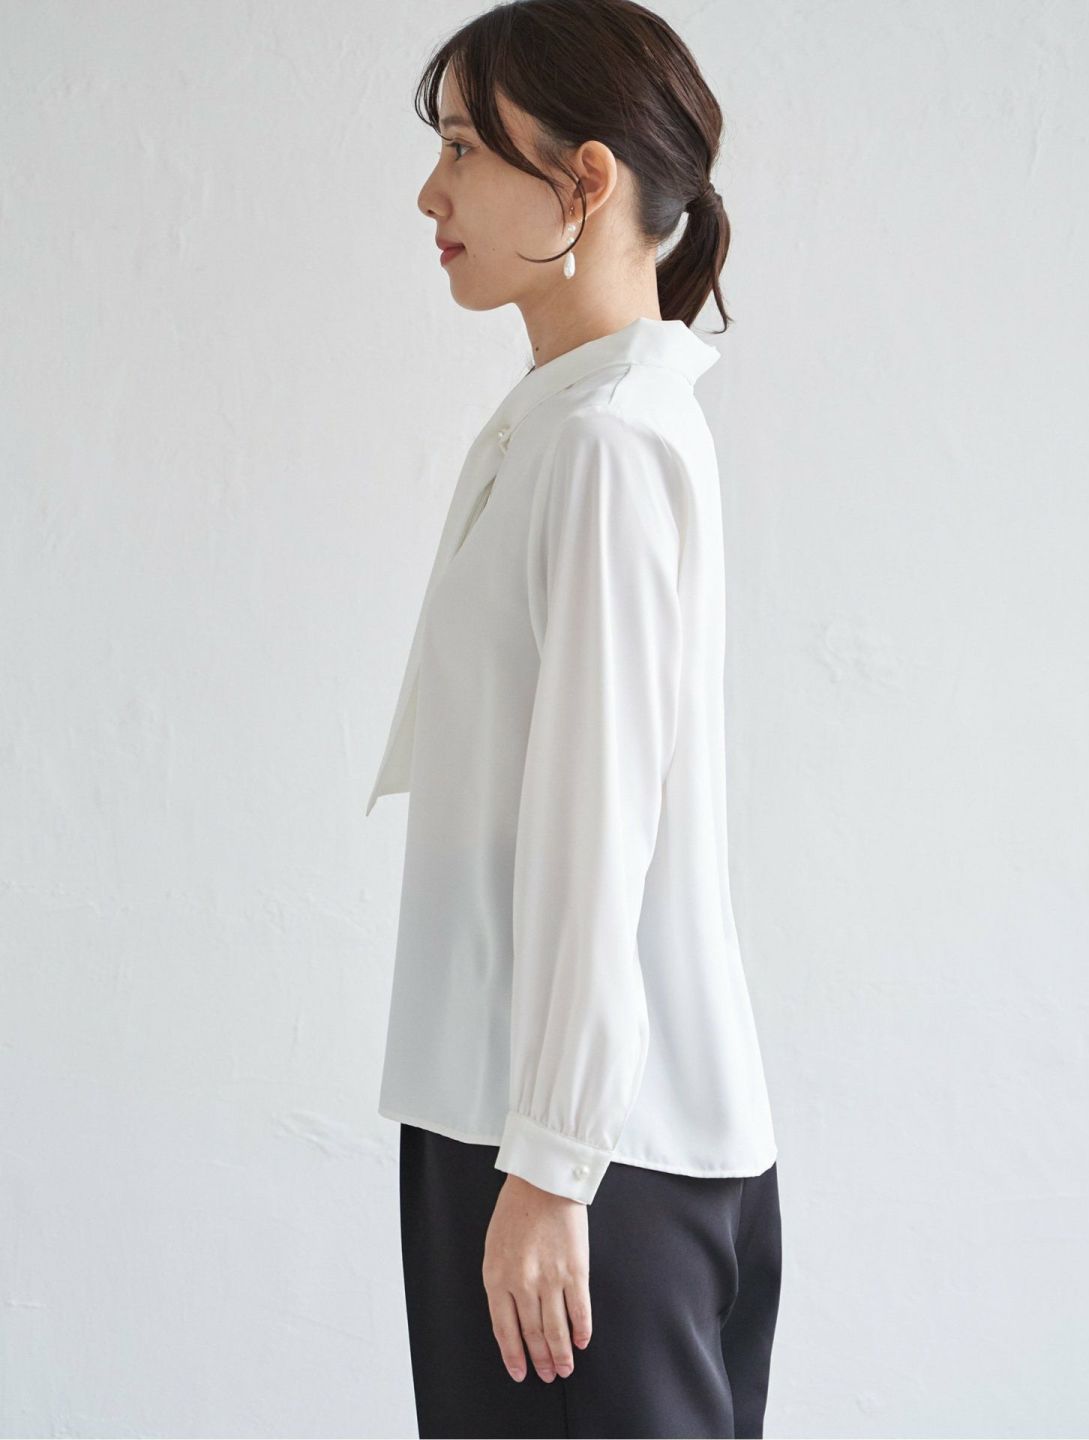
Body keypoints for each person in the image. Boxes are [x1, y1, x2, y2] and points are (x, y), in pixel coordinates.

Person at [365, 2, 781, 1434]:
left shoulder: (605, 440)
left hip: (580, 1161)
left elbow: (600, 827)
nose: (432, 193)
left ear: (585, 181)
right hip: (532, 1128)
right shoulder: (577, 415)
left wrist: (549, 1164)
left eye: (464, 150)